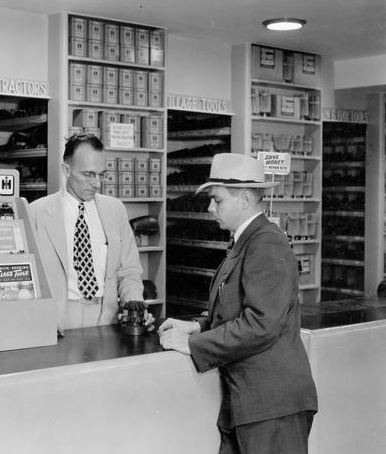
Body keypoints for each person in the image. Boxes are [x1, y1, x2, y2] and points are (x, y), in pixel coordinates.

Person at [158, 153, 317, 454]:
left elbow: (261, 324)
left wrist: (194, 345)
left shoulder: (266, 243)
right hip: (250, 404)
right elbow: (237, 308)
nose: (209, 208)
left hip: (271, 407)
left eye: (217, 200)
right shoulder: (244, 241)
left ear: (244, 198)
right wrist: (196, 326)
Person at [30, 133, 154, 335]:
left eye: (101, 174)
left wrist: (135, 306)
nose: (96, 183)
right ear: (66, 170)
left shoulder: (115, 210)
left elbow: (129, 270)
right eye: (88, 174)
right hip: (58, 322)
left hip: (106, 320)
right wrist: (41, 320)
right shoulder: (37, 213)